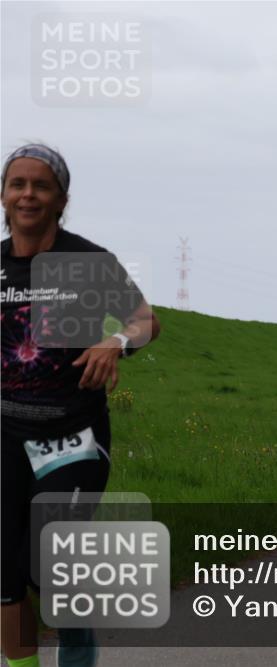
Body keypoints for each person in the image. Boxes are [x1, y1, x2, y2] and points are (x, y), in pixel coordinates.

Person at [1, 144, 160, 667]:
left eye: (41, 185)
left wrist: (116, 343)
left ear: (61, 199)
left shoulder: (87, 262)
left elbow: (145, 321)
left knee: (49, 565)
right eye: (17, 184)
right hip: (5, 436)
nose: (28, 194)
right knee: (5, 577)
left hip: (72, 439)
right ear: (4, 196)